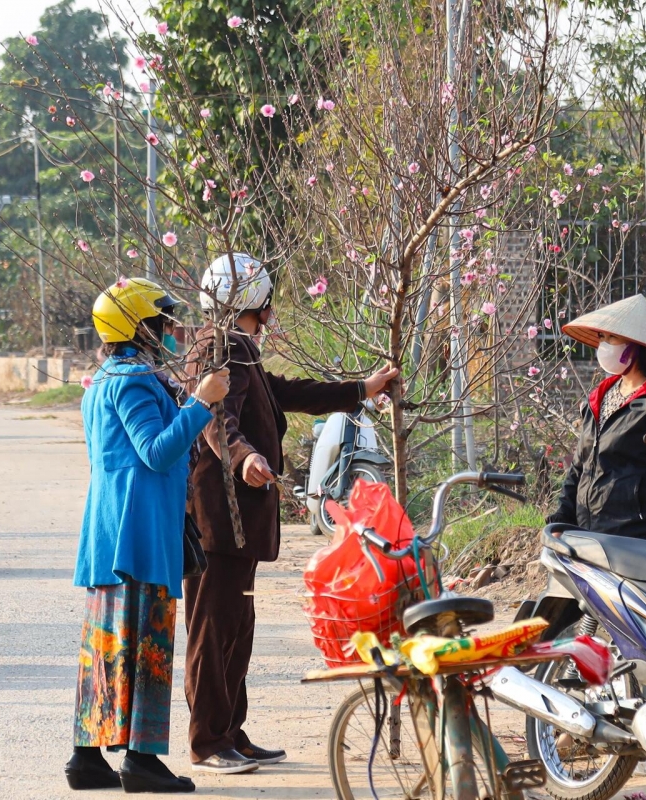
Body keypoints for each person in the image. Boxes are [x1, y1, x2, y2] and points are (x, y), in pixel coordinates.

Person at [182, 253, 399, 774]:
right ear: (258, 302)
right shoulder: (219, 347)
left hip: (241, 520)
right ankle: (207, 741)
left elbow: (287, 392)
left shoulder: (240, 349)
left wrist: (360, 390)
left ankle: (230, 731)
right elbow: (217, 421)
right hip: (222, 518)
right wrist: (245, 457)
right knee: (215, 630)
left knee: (238, 626)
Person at [67, 277, 230, 794]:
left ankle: (88, 758)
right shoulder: (134, 382)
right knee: (148, 645)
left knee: (107, 646)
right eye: (161, 323)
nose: (171, 331)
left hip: (113, 531)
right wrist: (201, 404)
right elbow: (156, 451)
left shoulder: (107, 379)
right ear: (137, 328)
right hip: (139, 531)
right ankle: (140, 758)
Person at [549, 294, 646, 543]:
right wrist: (561, 520)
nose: (604, 345)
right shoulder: (600, 396)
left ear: (636, 344)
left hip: (639, 536)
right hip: (591, 533)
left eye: (612, 338)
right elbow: (580, 467)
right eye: (602, 337)